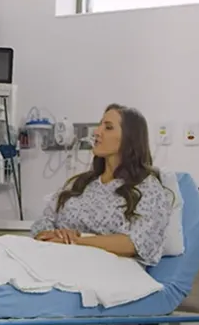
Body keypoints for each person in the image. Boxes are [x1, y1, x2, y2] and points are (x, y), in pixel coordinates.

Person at [30, 104, 172, 266]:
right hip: (57, 257)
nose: (97, 132)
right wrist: (53, 235)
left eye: (108, 127)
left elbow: (135, 243)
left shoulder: (146, 188)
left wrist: (76, 242)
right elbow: (44, 221)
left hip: (106, 268)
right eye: (99, 125)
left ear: (129, 138)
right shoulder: (79, 184)